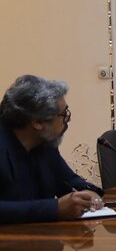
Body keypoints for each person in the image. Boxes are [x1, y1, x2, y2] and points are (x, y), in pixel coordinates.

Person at [0, 75, 104, 224]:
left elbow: (69, 180)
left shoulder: (44, 144)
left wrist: (88, 192)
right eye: (64, 114)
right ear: (37, 122)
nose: (68, 119)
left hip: (42, 235)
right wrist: (54, 208)